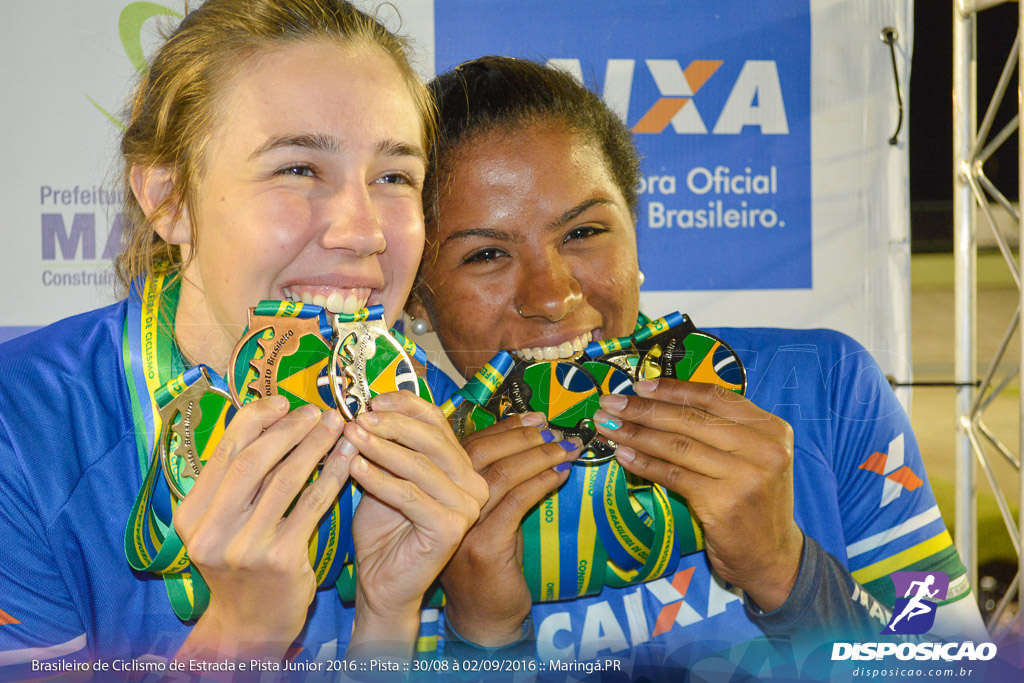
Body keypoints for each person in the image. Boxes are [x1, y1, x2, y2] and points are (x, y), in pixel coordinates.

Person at [408, 56, 987, 676]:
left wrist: (786, 572)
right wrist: (484, 636)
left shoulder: (816, 386)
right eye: (487, 254)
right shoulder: (393, 475)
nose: (552, 296)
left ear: (636, 238)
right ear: (417, 297)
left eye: (582, 233)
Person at [0, 0, 486, 674]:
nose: (364, 230)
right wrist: (240, 631)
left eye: (394, 177)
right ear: (169, 200)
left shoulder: (439, 423)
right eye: (299, 169)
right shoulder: (23, 433)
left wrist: (387, 614)